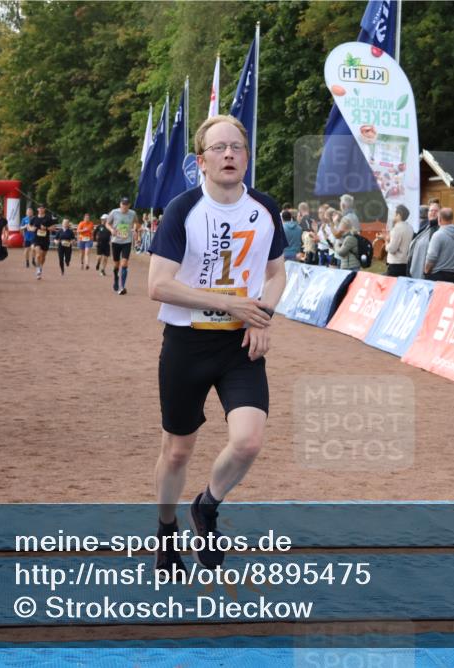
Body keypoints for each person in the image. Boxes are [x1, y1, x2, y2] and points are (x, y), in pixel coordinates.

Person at [147, 115, 287, 573]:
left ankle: (206, 506)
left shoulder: (265, 208)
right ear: (201, 161)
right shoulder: (181, 210)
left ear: (246, 157)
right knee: (177, 450)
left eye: (238, 147)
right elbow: (158, 285)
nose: (229, 154)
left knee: (248, 442)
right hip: (187, 344)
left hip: (239, 347)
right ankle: (166, 532)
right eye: (219, 148)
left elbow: (276, 272)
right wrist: (232, 305)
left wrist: (261, 315)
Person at [106, 197, 138, 295]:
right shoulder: (114, 212)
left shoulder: (132, 213)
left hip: (126, 242)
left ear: (129, 205)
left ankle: (122, 286)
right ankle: (116, 278)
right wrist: (111, 230)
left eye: (126, 204)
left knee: (124, 264)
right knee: (116, 264)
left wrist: (135, 230)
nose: (124, 206)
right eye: (123, 204)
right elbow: (107, 223)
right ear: (120, 204)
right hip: (116, 241)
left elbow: (136, 223)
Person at [408, 200, 440, 279]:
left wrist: (426, 271)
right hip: (416, 271)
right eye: (431, 210)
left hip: (428, 275)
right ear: (427, 214)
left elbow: (433, 255)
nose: (433, 212)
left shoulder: (438, 231)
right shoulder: (425, 228)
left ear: (440, 214)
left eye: (436, 211)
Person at [380, 204, 413, 277]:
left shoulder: (397, 229)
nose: (393, 215)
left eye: (394, 213)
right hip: (406, 263)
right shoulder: (410, 228)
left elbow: (391, 249)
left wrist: (386, 240)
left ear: (399, 215)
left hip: (395, 265)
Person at [29, 205, 57, 280]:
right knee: (38, 255)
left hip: (45, 240)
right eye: (40, 208)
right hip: (36, 239)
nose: (41, 209)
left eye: (43, 208)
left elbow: (54, 228)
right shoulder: (34, 218)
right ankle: (38, 270)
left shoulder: (48, 218)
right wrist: (32, 229)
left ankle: (40, 267)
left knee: (43, 256)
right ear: (37, 209)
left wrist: (46, 228)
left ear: (44, 209)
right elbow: (29, 227)